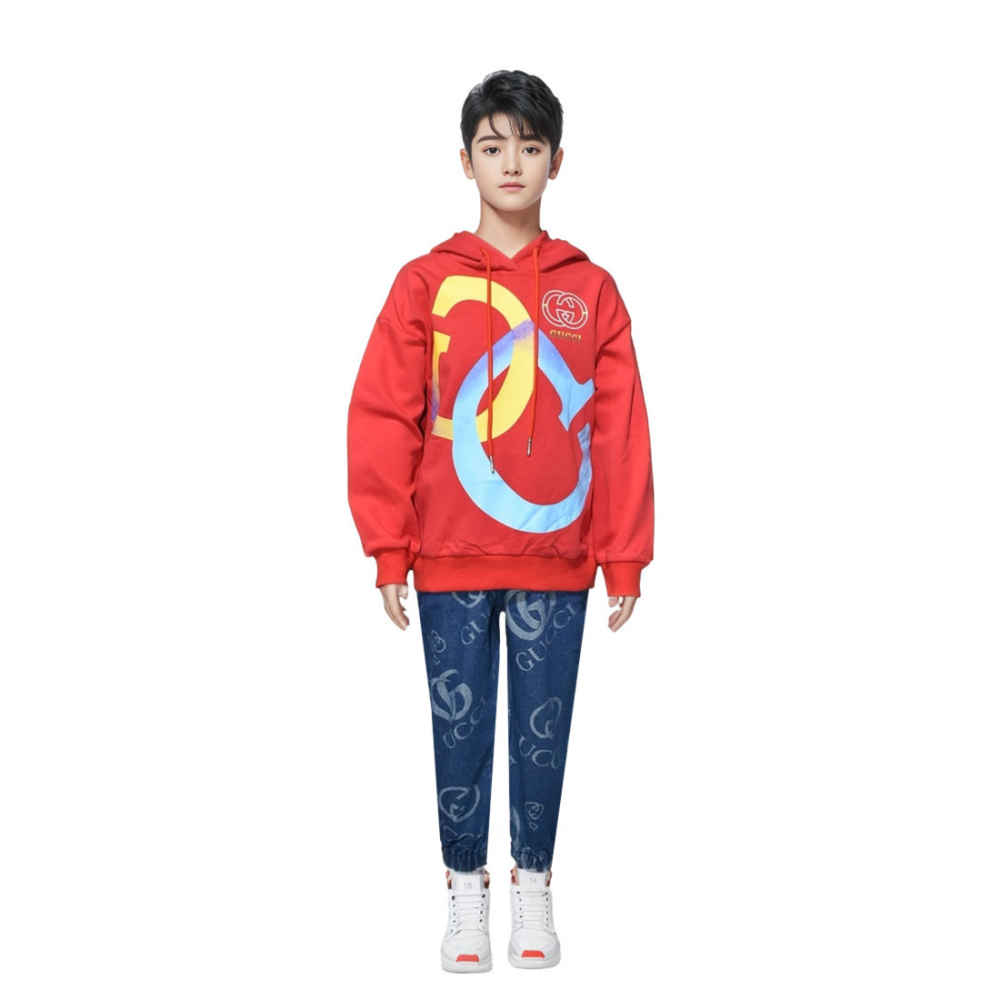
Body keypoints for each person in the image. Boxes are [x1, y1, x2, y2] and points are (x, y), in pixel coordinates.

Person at [347, 69, 654, 972]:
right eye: (493, 146)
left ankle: (535, 888)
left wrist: (624, 556)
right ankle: (464, 894)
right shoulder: (425, 283)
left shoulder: (590, 290)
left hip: (557, 556)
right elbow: (385, 414)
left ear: (557, 160)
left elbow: (619, 427)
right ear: (465, 161)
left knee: (541, 736)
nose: (511, 163)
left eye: (529, 145)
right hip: (447, 554)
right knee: (460, 733)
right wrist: (387, 548)